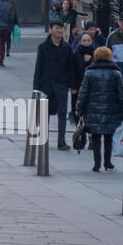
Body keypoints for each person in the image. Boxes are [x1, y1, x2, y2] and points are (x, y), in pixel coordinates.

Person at [76, 46, 123, 171]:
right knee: (109, 136)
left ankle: (97, 163)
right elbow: (122, 93)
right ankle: (108, 161)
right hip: (111, 109)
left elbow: (83, 93)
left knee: (96, 136)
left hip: (93, 109)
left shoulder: (90, 73)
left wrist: (79, 109)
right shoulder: (116, 73)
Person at [33, 19, 80, 149]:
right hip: (46, 84)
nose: (59, 30)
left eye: (61, 28)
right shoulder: (43, 47)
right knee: (45, 112)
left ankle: (61, 140)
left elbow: (71, 68)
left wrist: (73, 86)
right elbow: (38, 68)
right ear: (51, 30)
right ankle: (43, 138)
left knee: (62, 112)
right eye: (57, 28)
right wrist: (36, 88)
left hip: (61, 84)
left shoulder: (67, 48)